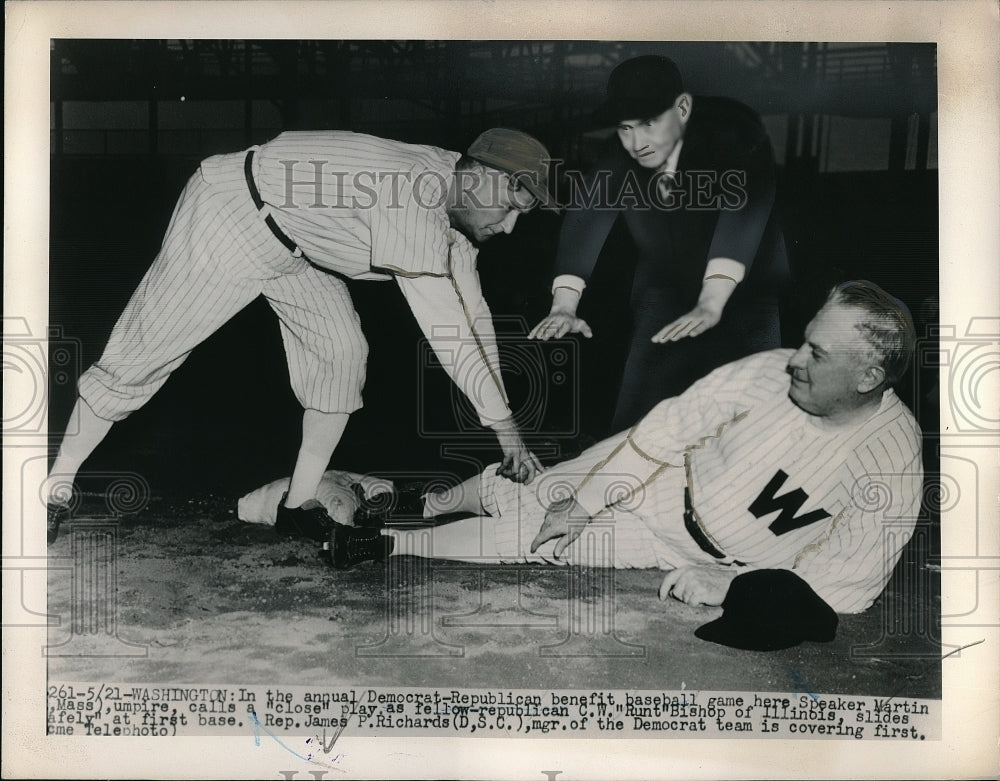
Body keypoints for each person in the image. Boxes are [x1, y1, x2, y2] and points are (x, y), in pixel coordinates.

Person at [45, 127, 555, 544]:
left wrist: (508, 429)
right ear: (482, 177)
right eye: (509, 207)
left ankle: (297, 506)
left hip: (296, 246)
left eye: (521, 215)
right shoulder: (411, 195)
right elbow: (448, 331)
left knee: (341, 354)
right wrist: (504, 431)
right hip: (232, 214)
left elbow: (476, 318)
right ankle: (57, 484)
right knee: (143, 355)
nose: (509, 227)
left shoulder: (453, 192)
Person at [341, 281, 922, 624]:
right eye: (805, 339)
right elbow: (667, 430)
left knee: (532, 541)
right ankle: (427, 500)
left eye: (817, 353)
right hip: (663, 470)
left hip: (692, 553)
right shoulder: (770, 372)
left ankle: (386, 541)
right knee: (544, 498)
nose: (796, 357)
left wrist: (740, 589)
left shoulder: (891, 461)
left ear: (869, 375)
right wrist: (586, 500)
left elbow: (851, 585)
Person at [529, 55, 790, 433]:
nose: (637, 143)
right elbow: (587, 218)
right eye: (625, 128)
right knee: (639, 417)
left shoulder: (736, 133)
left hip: (747, 291)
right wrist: (564, 305)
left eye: (649, 123)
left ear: (682, 108)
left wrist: (712, 300)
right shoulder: (620, 154)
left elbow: (745, 211)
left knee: (754, 421)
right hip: (665, 284)